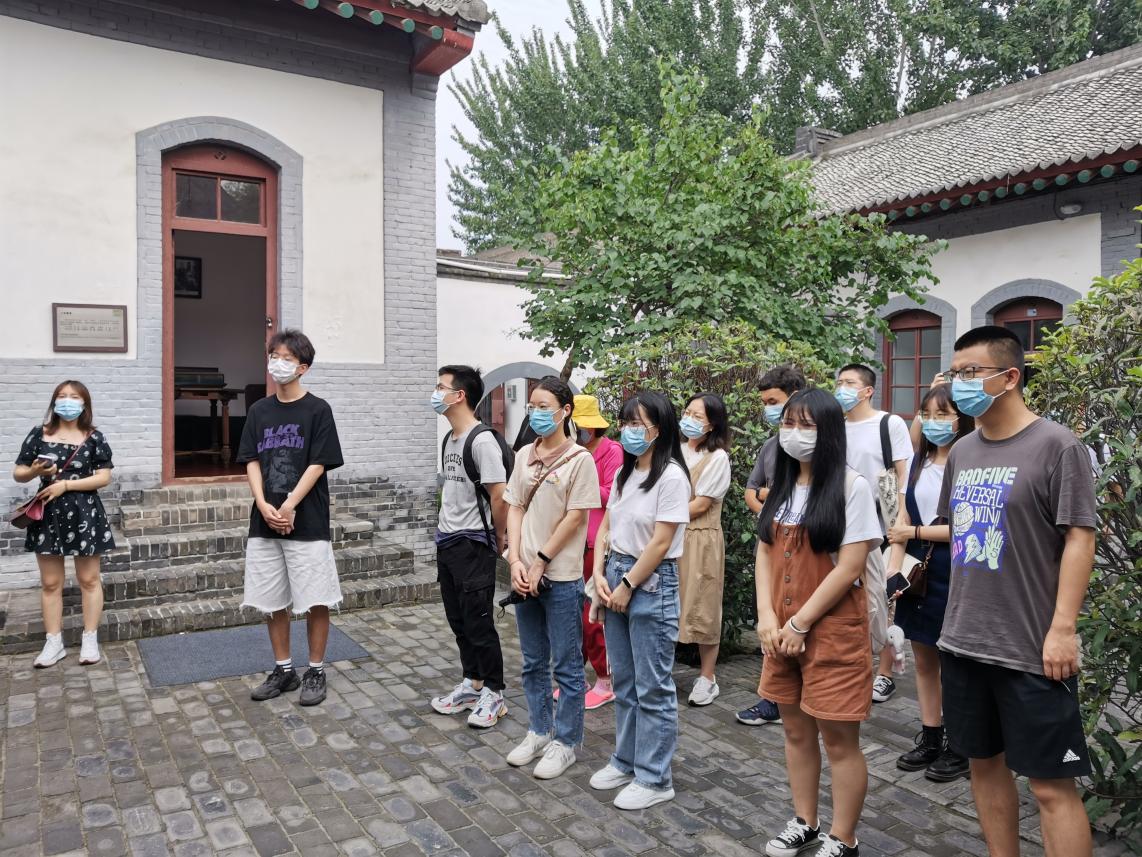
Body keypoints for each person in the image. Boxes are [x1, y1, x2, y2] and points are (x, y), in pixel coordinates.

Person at [938, 326, 1096, 857]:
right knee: (984, 767)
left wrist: (1062, 628)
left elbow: (1080, 537)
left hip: (1031, 648)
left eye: (970, 372)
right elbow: (960, 534)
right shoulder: (962, 451)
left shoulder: (1057, 445)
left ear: (1009, 377)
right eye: (954, 373)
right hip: (963, 640)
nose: (959, 383)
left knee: (1051, 786)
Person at [756, 388, 881, 857]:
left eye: (806, 425)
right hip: (780, 629)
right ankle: (805, 821)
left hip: (831, 632)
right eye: (788, 423)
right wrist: (767, 616)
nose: (794, 433)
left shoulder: (852, 486)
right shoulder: (782, 486)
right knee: (795, 730)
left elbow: (849, 567)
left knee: (839, 739)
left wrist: (800, 623)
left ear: (828, 431)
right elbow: (765, 552)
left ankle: (844, 836)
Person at [589, 391, 690, 810]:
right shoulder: (626, 473)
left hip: (650, 582)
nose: (629, 431)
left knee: (653, 687)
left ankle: (654, 777)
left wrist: (628, 583)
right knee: (625, 682)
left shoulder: (672, 477)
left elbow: (662, 541)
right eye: (626, 423)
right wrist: (599, 574)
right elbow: (608, 525)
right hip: (616, 573)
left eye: (638, 424)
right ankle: (626, 760)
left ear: (659, 429)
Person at [238, 330, 344, 707]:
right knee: (272, 600)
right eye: (274, 356)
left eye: (287, 358)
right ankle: (284, 669)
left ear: (303, 367)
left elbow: (319, 462)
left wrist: (290, 505)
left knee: (316, 598)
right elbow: (251, 459)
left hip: (307, 520)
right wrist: (263, 503)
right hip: (264, 520)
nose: (278, 364)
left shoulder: (318, 410)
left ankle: (315, 670)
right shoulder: (259, 411)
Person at [504, 377, 600, 778]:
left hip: (559, 575)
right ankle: (539, 730)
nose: (536, 413)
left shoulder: (580, 460)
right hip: (524, 574)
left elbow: (576, 516)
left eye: (544, 406)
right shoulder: (524, 454)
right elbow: (514, 507)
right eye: (532, 406)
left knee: (567, 665)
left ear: (565, 411)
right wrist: (515, 561)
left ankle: (566, 741)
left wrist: (541, 560)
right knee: (532, 662)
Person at [886, 385, 973, 782]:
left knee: (955, 663)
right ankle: (931, 736)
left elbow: (968, 526)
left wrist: (914, 532)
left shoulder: (971, 461)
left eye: (943, 414)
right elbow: (901, 524)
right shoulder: (918, 463)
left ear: (961, 418)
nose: (934, 422)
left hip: (957, 570)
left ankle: (961, 744)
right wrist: (893, 572)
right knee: (923, 659)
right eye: (927, 414)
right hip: (917, 572)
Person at [429, 365, 511, 728]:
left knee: (479, 622)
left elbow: (499, 495)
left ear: (459, 395)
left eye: (441, 387)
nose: (435, 393)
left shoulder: (482, 441)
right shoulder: (450, 439)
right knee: (458, 620)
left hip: (473, 543)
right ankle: (472, 683)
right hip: (447, 541)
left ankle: (494, 692)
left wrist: (500, 537)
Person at [14, 381, 115, 667]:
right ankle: (53, 643)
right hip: (47, 512)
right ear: (54, 401)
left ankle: (90, 639)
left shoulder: (94, 437)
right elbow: (19, 472)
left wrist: (67, 485)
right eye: (62, 396)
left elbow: (104, 477)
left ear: (84, 403)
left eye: (74, 397)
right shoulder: (40, 434)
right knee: (50, 583)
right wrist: (34, 470)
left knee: (89, 579)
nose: (67, 401)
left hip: (85, 513)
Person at [834, 363, 911, 704]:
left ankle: (885, 674)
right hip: (842, 522)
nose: (842, 388)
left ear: (868, 390)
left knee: (883, 598)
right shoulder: (835, 426)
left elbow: (900, 475)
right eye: (839, 382)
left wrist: (899, 527)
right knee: (850, 598)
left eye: (849, 383)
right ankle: (855, 667)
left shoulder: (888, 423)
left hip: (880, 520)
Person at [739, 365, 806, 726]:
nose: (769, 409)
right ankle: (773, 698)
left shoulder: (816, 446)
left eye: (773, 401)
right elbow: (752, 492)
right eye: (765, 403)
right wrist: (771, 505)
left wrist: (773, 495)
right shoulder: (770, 447)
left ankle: (797, 697)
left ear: (795, 397)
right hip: (772, 545)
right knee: (770, 617)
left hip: (805, 553)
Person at [677, 393, 731, 706]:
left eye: (698, 416)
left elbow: (701, 504)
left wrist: (663, 514)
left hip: (701, 539)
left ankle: (707, 678)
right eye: (688, 412)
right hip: (671, 535)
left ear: (712, 425)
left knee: (703, 607)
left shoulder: (717, 458)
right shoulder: (676, 450)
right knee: (669, 603)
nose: (690, 420)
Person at [571, 393, 623, 708]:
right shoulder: (571, 451)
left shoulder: (611, 451)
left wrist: (577, 486)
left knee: (594, 614)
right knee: (573, 614)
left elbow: (612, 493)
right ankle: (576, 677)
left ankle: (606, 679)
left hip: (597, 543)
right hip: (572, 542)